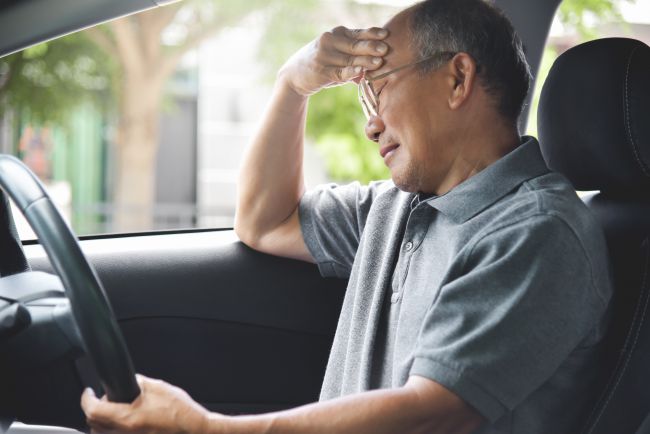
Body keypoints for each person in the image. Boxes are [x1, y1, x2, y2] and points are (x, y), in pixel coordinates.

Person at [81, 0, 613, 433]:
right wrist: (293, 85)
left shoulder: (540, 232)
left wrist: (204, 429)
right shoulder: (396, 207)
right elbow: (264, 222)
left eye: (377, 89)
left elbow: (432, 414)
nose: (371, 125)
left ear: (457, 79)